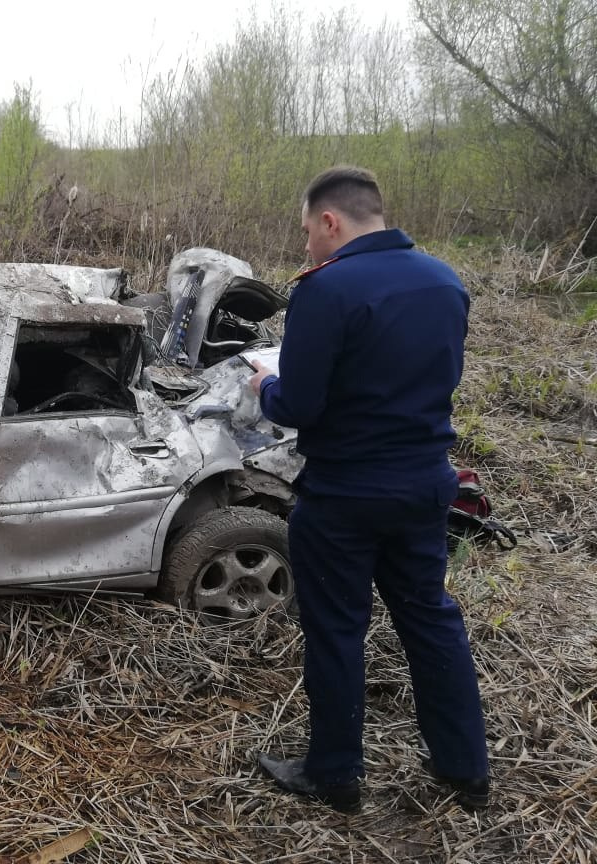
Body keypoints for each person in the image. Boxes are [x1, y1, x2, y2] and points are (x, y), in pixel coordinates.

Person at [248, 166, 489, 813]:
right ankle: (465, 769)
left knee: (337, 631)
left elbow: (297, 403)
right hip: (424, 487)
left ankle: (335, 775)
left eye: (306, 232)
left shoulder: (326, 291)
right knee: (431, 621)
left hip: (343, 496)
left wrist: (262, 388)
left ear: (331, 222)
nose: (306, 247)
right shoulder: (445, 281)